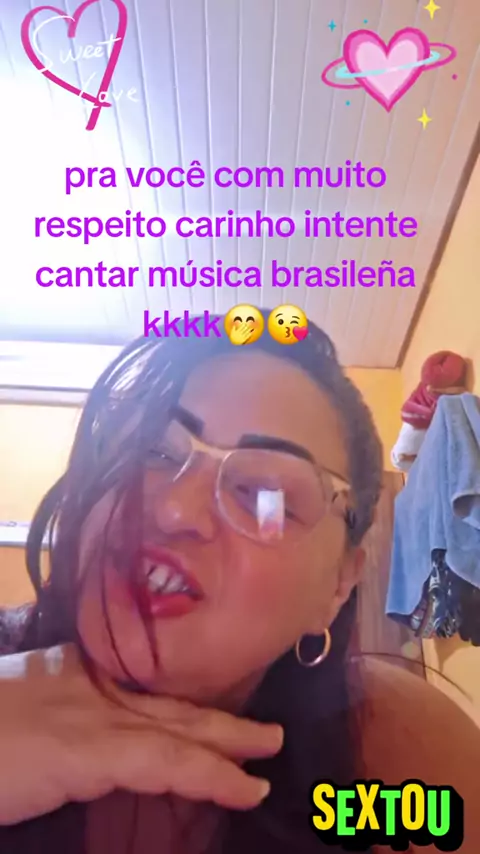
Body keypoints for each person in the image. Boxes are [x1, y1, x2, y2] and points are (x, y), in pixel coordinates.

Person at [1, 310, 480, 854]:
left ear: (337, 586)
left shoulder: (387, 755)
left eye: (263, 494)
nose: (176, 509)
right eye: (153, 451)